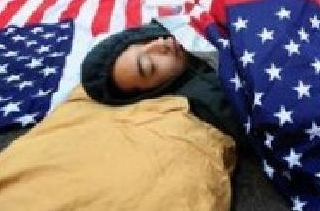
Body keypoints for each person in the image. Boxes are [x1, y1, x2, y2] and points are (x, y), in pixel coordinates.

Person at [81, 21, 243, 143]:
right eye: (149, 66)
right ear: (152, 91)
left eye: (143, 41)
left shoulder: (176, 22)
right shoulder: (215, 100)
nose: (160, 43)